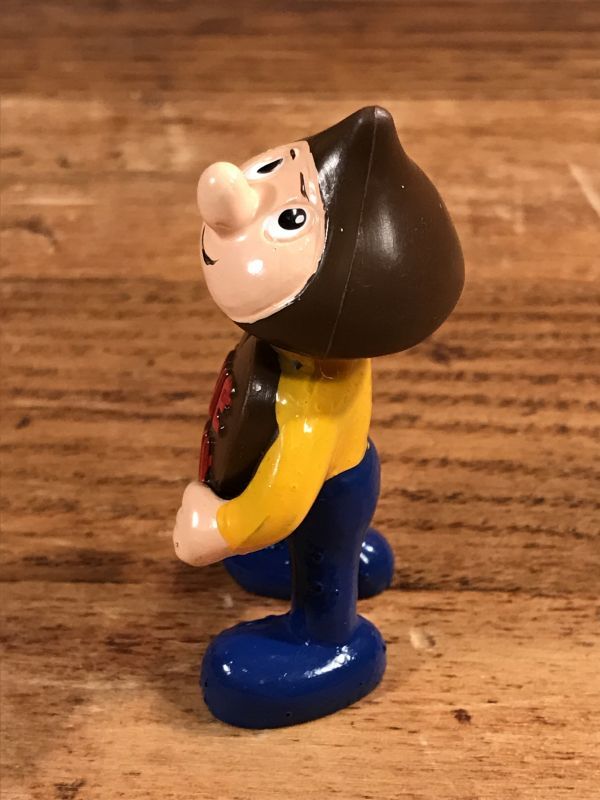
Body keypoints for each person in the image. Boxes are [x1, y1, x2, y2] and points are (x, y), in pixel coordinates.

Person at [173, 107, 464, 728]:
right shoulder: (315, 354)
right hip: (343, 472)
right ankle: (337, 563)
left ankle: (330, 638)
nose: (233, 191)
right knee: (326, 542)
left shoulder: (304, 408)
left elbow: (280, 501)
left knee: (323, 549)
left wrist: (215, 527)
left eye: (291, 218)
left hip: (325, 489)